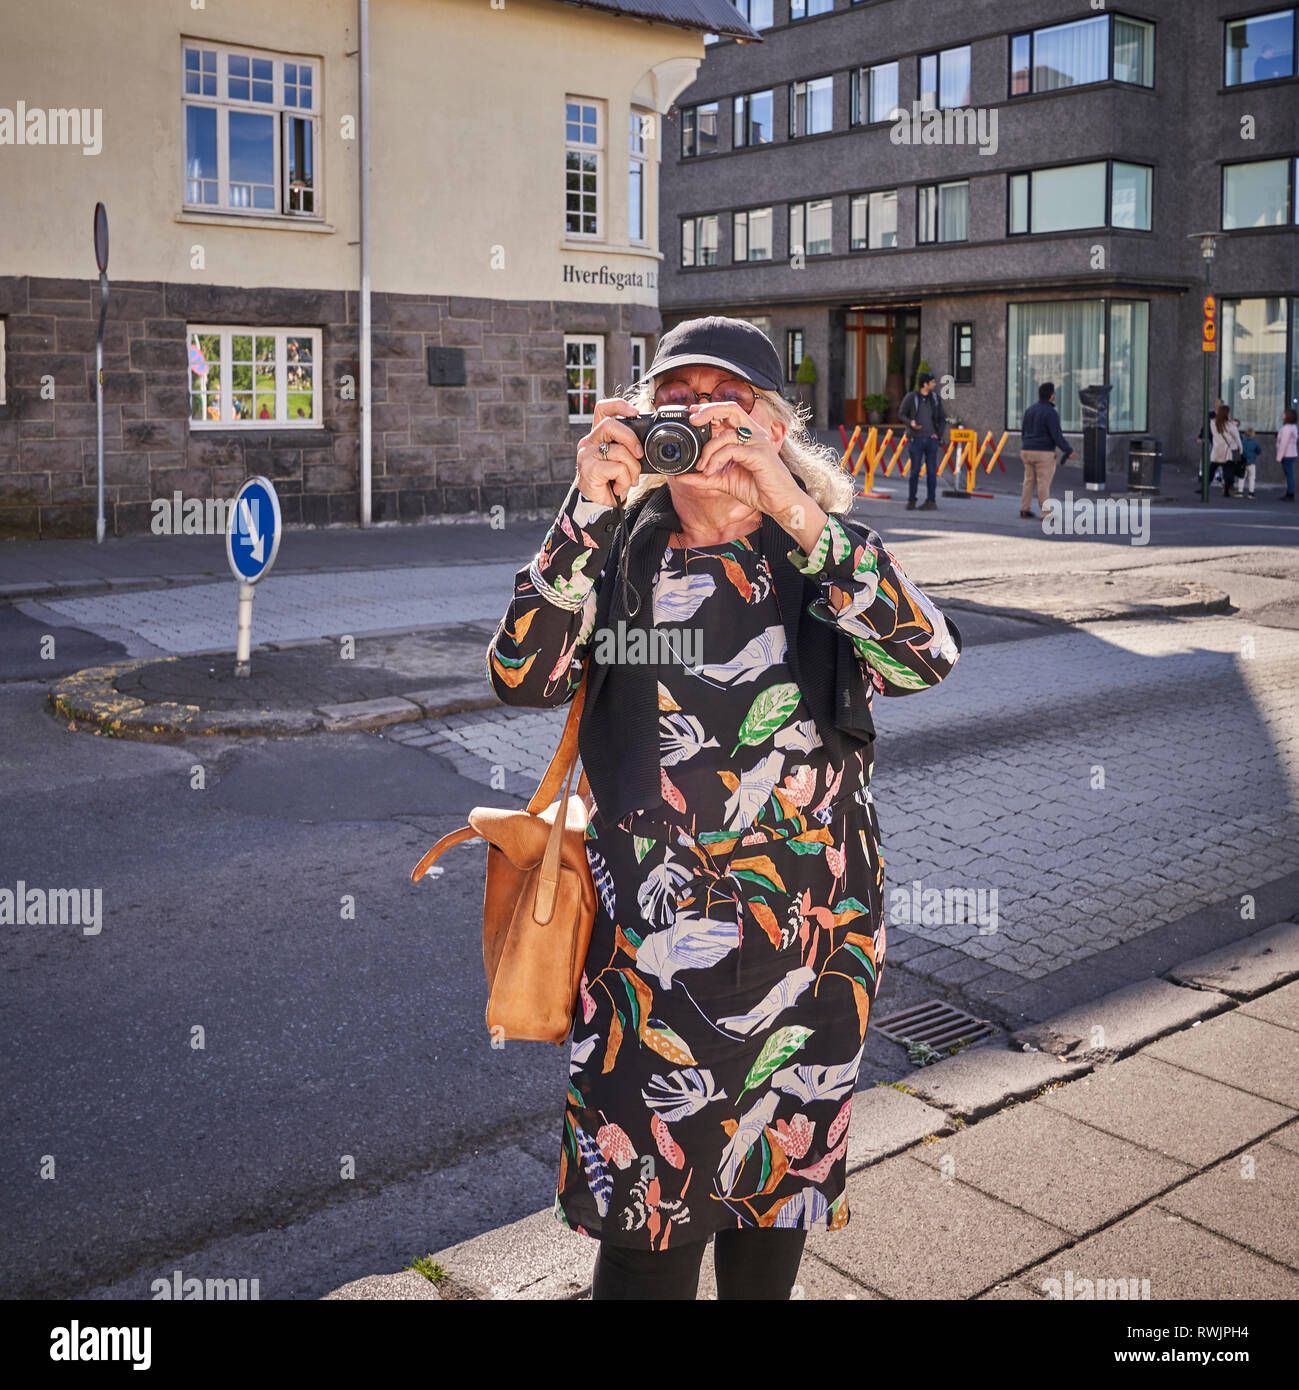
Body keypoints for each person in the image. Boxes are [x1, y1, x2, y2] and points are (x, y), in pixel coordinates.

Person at [486, 315, 961, 1301]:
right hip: (649, 969)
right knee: (643, 1254)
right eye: (678, 397)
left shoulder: (824, 555)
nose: (697, 415)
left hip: (812, 956)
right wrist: (582, 510)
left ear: (771, 424)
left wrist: (793, 507)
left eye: (726, 399)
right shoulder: (618, 552)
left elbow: (925, 657)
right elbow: (518, 671)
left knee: (768, 1238)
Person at [1018, 382, 1073, 520]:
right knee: (1043, 481)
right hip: (1043, 452)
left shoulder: (1029, 410)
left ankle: (1024, 509)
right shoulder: (1051, 412)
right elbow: (1056, 435)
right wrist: (1068, 449)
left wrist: (1026, 444)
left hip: (1026, 450)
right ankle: (1045, 513)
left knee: (1028, 480)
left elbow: (1023, 431)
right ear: (1051, 396)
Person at [899, 371, 946, 511]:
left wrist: (938, 435)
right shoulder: (912, 397)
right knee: (914, 471)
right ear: (925, 384)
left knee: (932, 472)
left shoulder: (935, 398)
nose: (934, 384)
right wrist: (911, 423)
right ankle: (912, 500)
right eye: (932, 382)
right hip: (916, 439)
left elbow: (943, 418)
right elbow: (901, 413)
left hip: (931, 440)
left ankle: (931, 501)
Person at [1209, 403, 1243, 498]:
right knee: (1228, 472)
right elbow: (1237, 438)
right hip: (1228, 451)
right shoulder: (1230, 425)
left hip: (1217, 450)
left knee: (1211, 469)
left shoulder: (1213, 423)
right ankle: (1226, 491)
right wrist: (1240, 450)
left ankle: (1204, 487)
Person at [1278, 408, 1298, 501]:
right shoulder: (1293, 427)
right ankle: (1290, 492)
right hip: (1292, 453)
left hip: (1287, 454)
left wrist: (1279, 456)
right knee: (1290, 474)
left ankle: (1290, 494)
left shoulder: (1286, 428)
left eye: (1284, 414)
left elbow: (1283, 443)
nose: (1283, 415)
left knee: (1289, 474)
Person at [1239, 427, 1261, 498]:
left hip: (1243, 462)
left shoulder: (1242, 442)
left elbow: (1240, 450)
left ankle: (1240, 491)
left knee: (1242, 477)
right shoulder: (1255, 444)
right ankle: (1251, 493)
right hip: (1252, 462)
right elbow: (1259, 451)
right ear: (1253, 435)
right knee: (1252, 478)